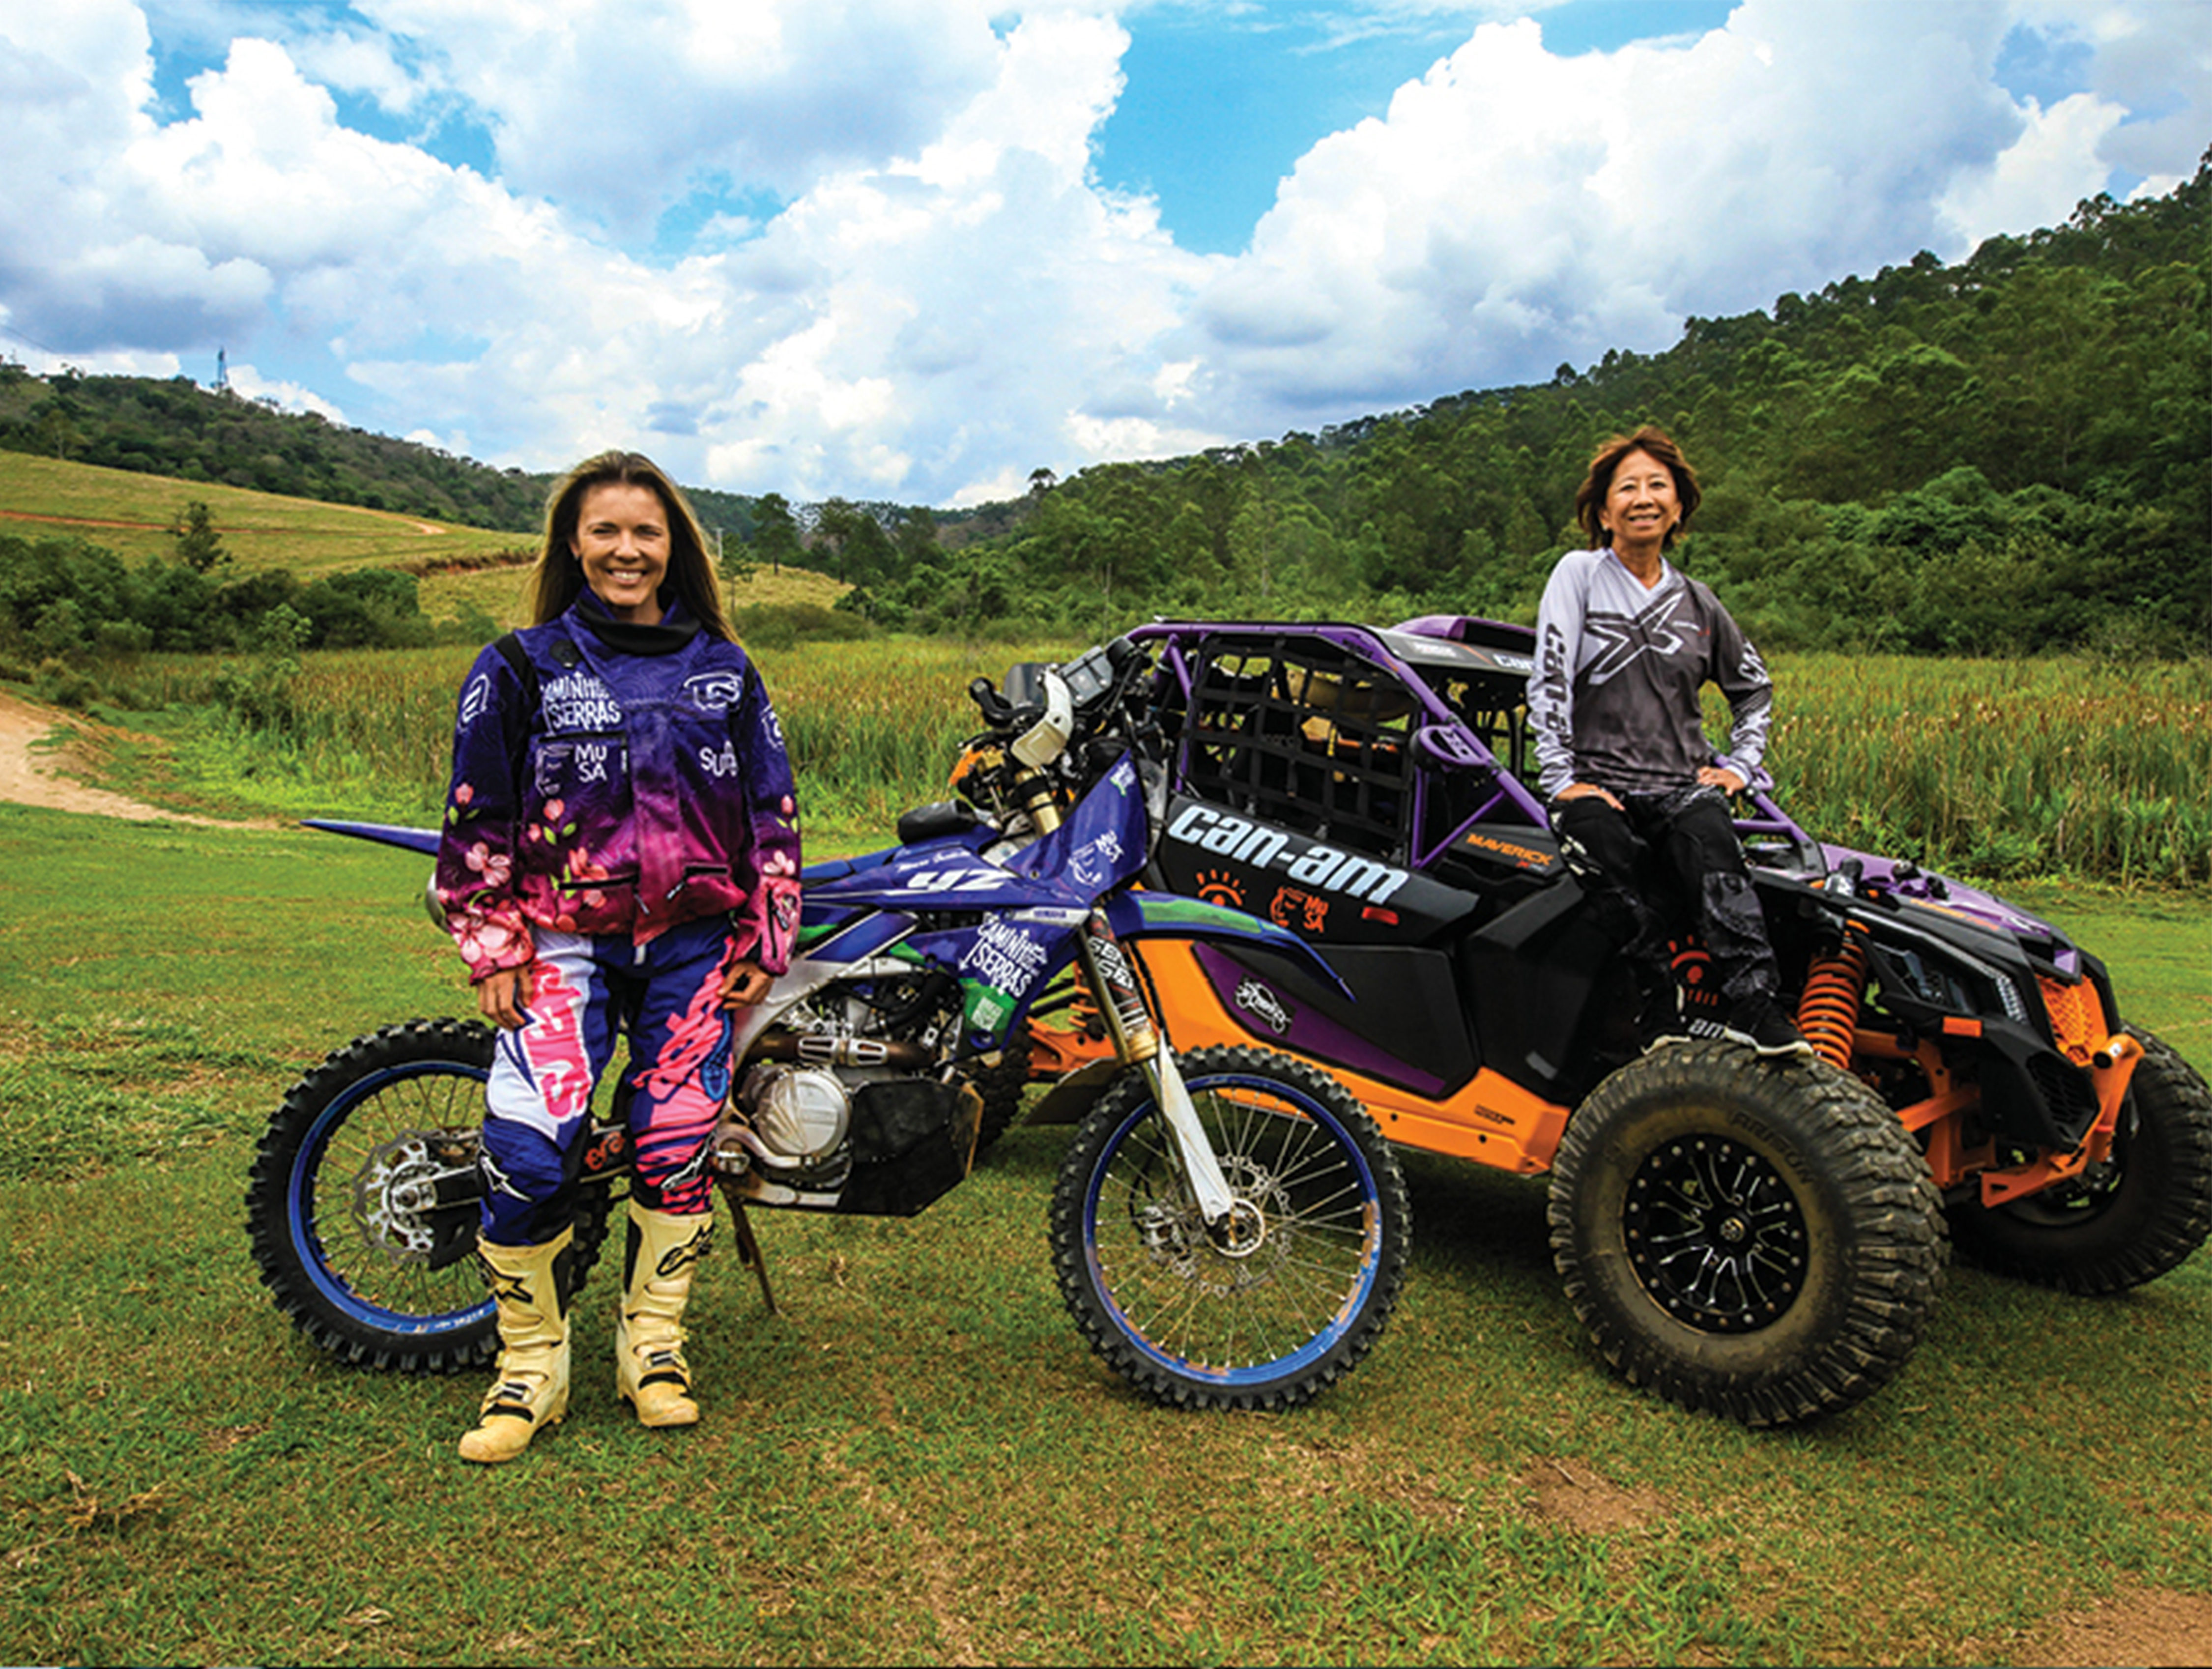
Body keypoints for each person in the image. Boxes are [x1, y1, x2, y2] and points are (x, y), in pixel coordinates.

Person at [433, 450, 802, 1464]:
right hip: (560, 944)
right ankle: (530, 1367)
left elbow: (769, 813)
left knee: (676, 1143)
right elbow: (476, 818)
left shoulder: (725, 671)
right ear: (573, 545)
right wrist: (494, 943)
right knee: (528, 1151)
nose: (627, 550)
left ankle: (655, 1348)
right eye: (606, 532)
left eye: (646, 532)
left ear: (674, 545)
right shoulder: (519, 666)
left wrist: (769, 934)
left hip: (694, 948)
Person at [1527, 425, 1809, 1059]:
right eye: (1627, 487)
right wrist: (1561, 777)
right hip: (1597, 780)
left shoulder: (1699, 603)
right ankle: (1660, 995)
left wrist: (1742, 767)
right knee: (1604, 853)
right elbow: (1548, 676)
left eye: (1659, 485)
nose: (1644, 497)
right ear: (1604, 512)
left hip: (1681, 783)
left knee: (1716, 857)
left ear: (1679, 507)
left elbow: (1754, 690)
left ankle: (1755, 1007)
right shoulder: (1579, 575)